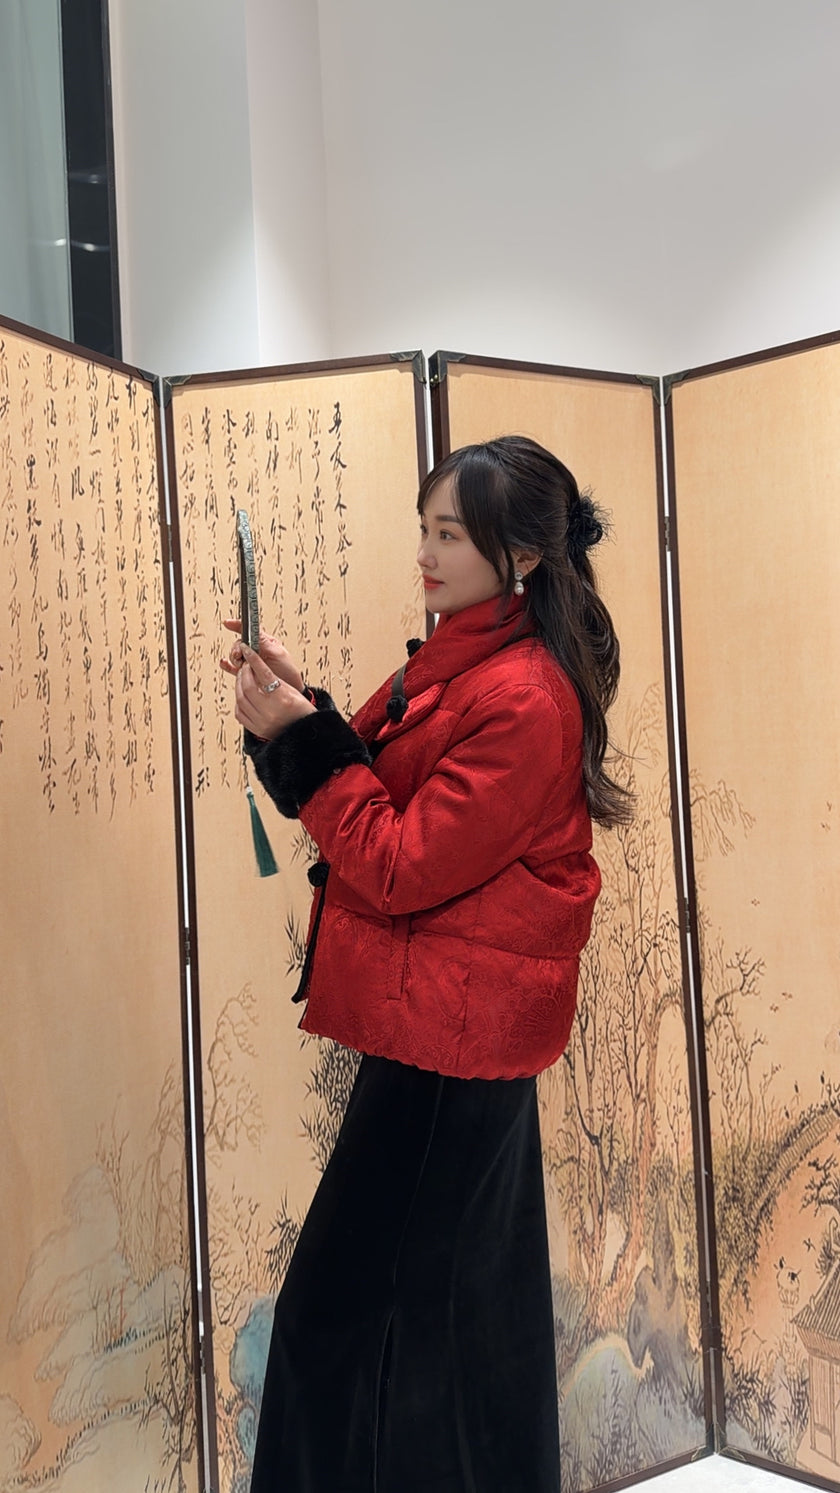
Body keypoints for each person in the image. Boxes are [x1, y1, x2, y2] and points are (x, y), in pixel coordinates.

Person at [222, 435, 631, 1493]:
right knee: (467, 1321)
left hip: (454, 1043)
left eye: (452, 533)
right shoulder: (462, 659)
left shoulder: (524, 696)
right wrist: (293, 711)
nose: (427, 551)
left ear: (524, 556)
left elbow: (399, 863)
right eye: (427, 527)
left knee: (334, 1320)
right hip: (451, 1032)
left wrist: (302, 744)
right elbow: (363, 784)